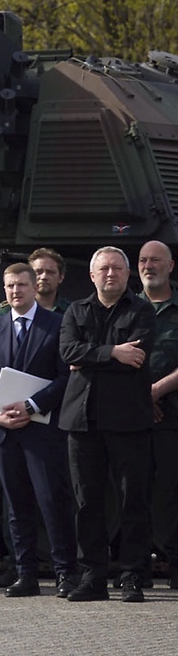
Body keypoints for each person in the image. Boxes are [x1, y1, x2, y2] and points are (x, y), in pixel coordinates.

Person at [57, 245, 154, 602]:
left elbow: (139, 355)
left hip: (128, 420)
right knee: (87, 503)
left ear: (127, 274)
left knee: (133, 501)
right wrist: (113, 353)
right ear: (92, 275)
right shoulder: (76, 311)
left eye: (117, 268)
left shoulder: (142, 310)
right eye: (104, 269)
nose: (110, 274)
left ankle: (132, 575)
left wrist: (90, 357)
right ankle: (93, 576)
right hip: (83, 421)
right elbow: (67, 351)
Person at [0, 261, 77, 598]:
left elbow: (66, 376)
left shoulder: (57, 325)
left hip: (42, 430)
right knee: (16, 506)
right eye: (9, 286)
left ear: (34, 287)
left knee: (53, 501)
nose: (15, 291)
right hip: (5, 432)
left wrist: (33, 405)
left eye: (21, 285)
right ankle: (26, 574)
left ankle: (65, 573)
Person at [138, 241, 178, 585]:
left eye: (155, 261)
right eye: (143, 261)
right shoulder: (127, 308)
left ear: (170, 266)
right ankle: (137, 568)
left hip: (172, 416)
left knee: (171, 492)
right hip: (131, 417)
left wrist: (155, 390)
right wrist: (141, 397)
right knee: (132, 492)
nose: (148, 266)